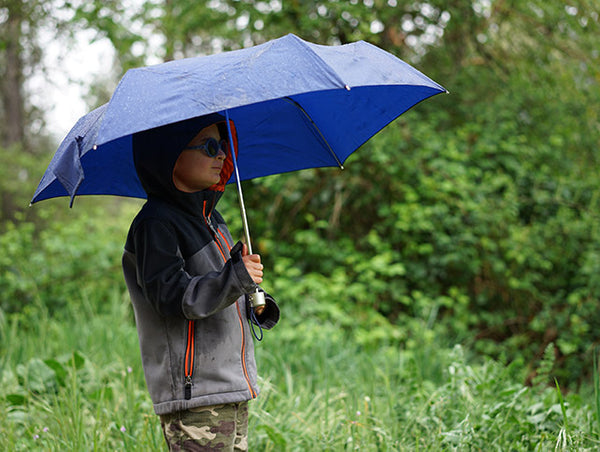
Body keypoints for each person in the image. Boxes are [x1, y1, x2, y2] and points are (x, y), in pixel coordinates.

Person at [122, 113, 280, 451]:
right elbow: (172, 296)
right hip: (196, 391)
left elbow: (218, 290)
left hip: (228, 384)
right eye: (210, 146)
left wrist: (252, 296)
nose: (222, 155)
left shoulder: (211, 218)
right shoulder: (156, 224)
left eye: (222, 146)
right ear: (170, 154)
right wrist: (233, 277)